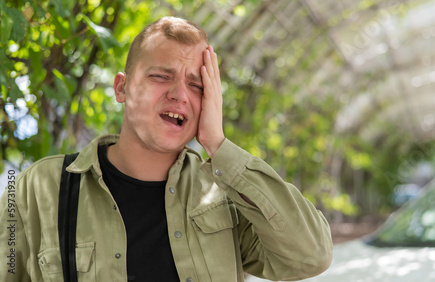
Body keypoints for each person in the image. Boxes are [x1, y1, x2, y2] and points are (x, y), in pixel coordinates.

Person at [0, 16, 333, 281]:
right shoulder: (38, 188)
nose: (180, 94)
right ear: (122, 87)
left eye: (196, 85)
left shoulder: (227, 195)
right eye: (161, 76)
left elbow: (311, 257)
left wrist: (218, 144)